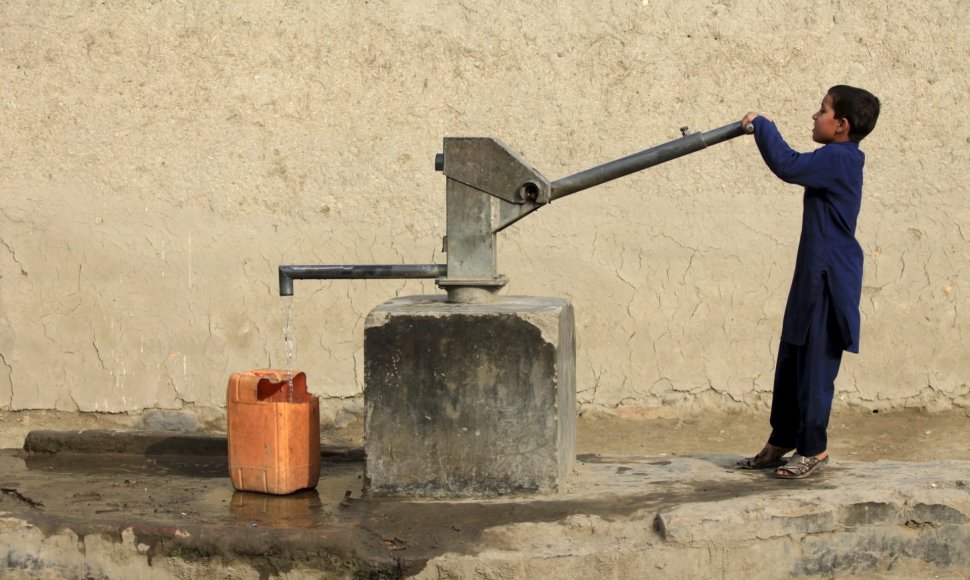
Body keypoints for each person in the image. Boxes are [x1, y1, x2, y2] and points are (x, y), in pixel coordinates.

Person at [736, 85, 881, 479]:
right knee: (791, 359)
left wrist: (762, 125)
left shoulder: (840, 159)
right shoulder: (835, 156)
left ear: (841, 126)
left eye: (822, 111)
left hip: (829, 278)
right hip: (811, 274)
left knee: (816, 366)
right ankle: (782, 438)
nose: (815, 116)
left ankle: (814, 449)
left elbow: (788, 165)